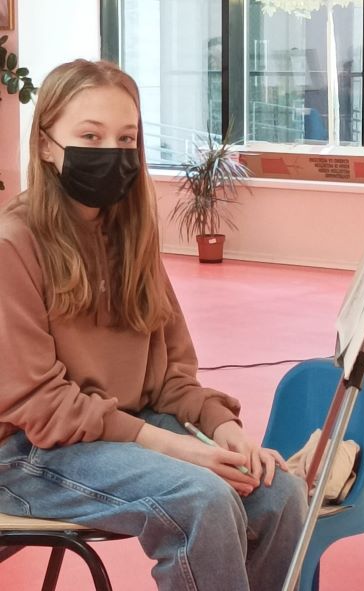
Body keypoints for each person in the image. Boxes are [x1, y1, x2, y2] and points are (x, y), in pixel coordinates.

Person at [0, 59, 307, 591]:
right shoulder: (13, 244)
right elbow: (39, 404)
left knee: (278, 492)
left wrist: (225, 430)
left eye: (126, 139)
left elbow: (171, 376)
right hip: (28, 452)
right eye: (90, 136)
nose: (112, 152)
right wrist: (176, 448)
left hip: (124, 428)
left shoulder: (131, 237)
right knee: (200, 498)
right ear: (46, 144)